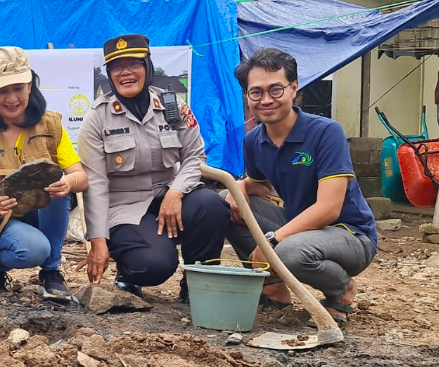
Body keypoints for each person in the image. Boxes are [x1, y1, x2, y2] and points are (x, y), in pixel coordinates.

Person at [222, 47, 377, 323]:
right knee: (224, 201)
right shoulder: (253, 141)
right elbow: (261, 186)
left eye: (276, 90)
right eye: (256, 92)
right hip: (299, 226)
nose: (266, 100)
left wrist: (271, 241)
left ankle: (341, 288)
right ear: (247, 96)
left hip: (350, 236)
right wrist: (240, 188)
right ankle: (274, 287)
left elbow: (329, 208)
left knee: (289, 251)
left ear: (294, 88)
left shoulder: (326, 132)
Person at [78, 34, 229, 300]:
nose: (125, 72)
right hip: (123, 209)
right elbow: (96, 184)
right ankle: (128, 269)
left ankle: (197, 287)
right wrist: (98, 241)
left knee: (211, 204)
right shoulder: (97, 118)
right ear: (109, 74)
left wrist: (176, 192)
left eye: (133, 64)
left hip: (167, 198)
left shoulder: (174, 107)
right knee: (154, 265)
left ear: (147, 66)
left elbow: (195, 157)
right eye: (116, 66)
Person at [0, 47, 88, 301]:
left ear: (30, 85)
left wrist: (67, 182)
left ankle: (51, 273)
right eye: (2, 91)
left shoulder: (51, 125)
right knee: (33, 249)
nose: (11, 99)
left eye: (18, 88)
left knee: (60, 193)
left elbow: (81, 177)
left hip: (38, 213)